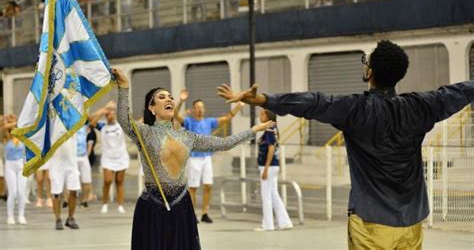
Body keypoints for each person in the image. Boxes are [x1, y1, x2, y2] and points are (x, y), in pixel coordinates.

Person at [217, 40, 474, 249]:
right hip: (412, 224)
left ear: (370, 72)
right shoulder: (420, 106)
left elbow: (313, 103)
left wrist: (263, 99)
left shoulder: (356, 110)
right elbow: (458, 92)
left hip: (372, 223)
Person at [112, 67, 272, 249]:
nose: (169, 99)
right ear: (152, 108)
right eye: (162, 97)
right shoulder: (144, 133)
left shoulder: (188, 137)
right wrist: (124, 86)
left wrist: (253, 131)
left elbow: (224, 143)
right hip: (152, 207)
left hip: (181, 205)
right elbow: (124, 119)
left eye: (170, 97)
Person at [174, 89, 244, 223]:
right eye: (197, 107)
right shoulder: (189, 122)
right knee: (193, 187)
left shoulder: (209, 122)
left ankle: (205, 212)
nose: (200, 109)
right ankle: (191, 214)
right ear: (193, 109)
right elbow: (176, 115)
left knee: (208, 186)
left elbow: (227, 117)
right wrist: (181, 101)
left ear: (204, 109)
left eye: (201, 107)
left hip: (206, 158)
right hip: (194, 158)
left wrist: (238, 107)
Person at [255, 109, 293, 231]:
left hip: (269, 166)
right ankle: (285, 222)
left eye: (262, 114)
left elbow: (271, 149)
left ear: (268, 116)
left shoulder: (269, 130)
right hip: (273, 166)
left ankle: (268, 224)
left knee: (266, 195)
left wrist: (266, 168)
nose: (260, 116)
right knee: (273, 194)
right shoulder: (274, 129)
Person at [91, 101, 129, 214]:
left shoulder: (120, 125)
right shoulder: (102, 126)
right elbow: (92, 123)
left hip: (121, 156)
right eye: (107, 115)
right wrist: (103, 110)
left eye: (111, 113)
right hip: (108, 158)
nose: (109, 116)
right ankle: (104, 203)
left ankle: (120, 205)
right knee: (107, 181)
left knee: (119, 180)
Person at [49, 137, 81, 230]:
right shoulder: (52, 124)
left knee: (74, 190)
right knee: (56, 193)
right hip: (56, 163)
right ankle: (58, 219)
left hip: (71, 163)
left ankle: (70, 218)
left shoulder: (73, 123)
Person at [3, 114, 27, 225]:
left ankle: (21, 215)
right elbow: (3, 128)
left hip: (21, 164)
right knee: (13, 192)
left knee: (21, 192)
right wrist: (9, 121)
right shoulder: (5, 136)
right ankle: (10, 216)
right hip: (10, 164)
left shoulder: (22, 134)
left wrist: (17, 121)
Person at [77, 125, 92, 208]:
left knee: (87, 180)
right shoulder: (68, 126)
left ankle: (84, 200)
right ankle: (66, 200)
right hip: (72, 157)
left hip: (83, 156)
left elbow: (93, 120)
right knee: (70, 180)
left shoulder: (85, 127)